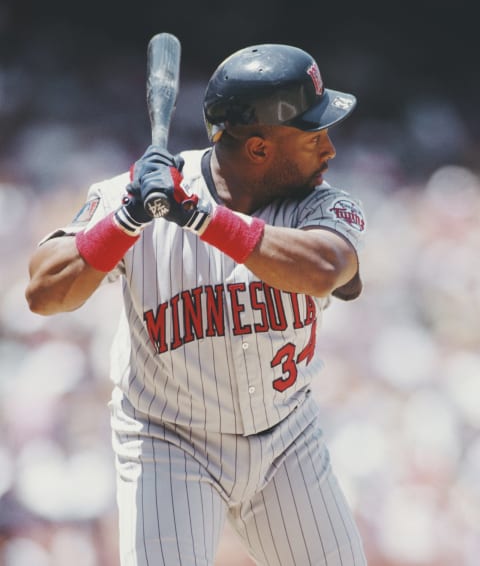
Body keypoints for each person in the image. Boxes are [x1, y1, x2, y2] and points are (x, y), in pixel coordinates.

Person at [26, 43, 368, 566]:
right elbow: (45, 293)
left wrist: (197, 216)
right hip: (169, 440)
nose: (330, 150)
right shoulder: (138, 194)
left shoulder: (323, 204)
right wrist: (125, 220)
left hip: (286, 438)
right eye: (314, 135)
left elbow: (326, 268)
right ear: (258, 148)